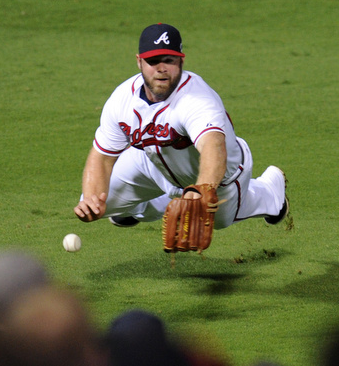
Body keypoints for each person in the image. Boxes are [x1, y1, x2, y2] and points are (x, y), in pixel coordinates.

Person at [73, 23, 288, 239]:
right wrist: (92, 197)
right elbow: (102, 157)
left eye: (169, 60)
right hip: (152, 163)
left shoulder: (197, 99)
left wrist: (202, 189)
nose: (161, 68)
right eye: (153, 61)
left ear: (181, 61)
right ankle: (142, 207)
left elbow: (213, 146)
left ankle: (270, 191)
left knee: (219, 221)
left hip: (220, 175)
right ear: (139, 61)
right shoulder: (122, 99)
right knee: (93, 201)